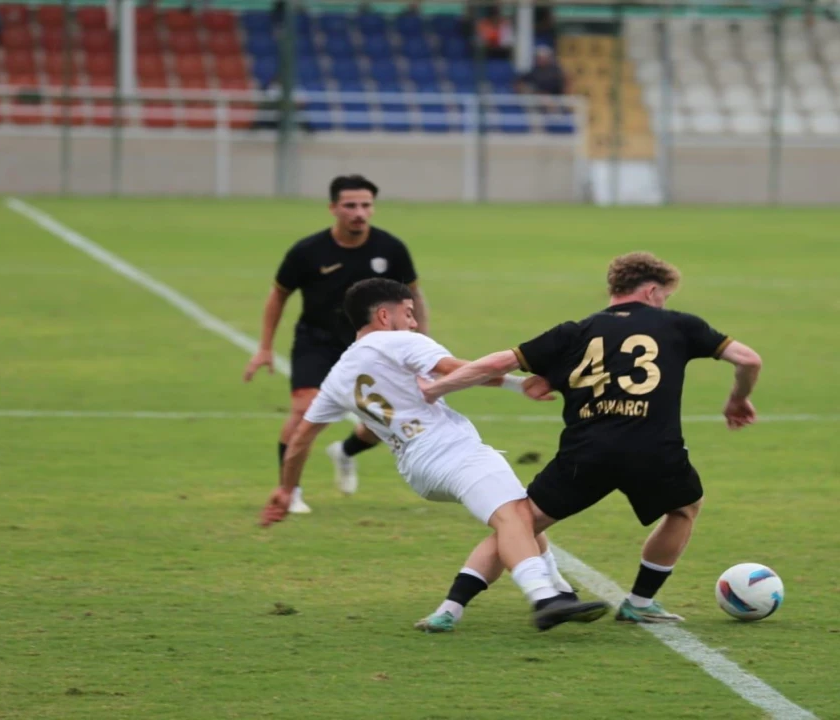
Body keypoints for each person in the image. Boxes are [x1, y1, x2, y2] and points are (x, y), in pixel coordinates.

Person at [419, 252, 763, 623]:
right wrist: (738, 399)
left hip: (586, 453)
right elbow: (749, 360)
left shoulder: (574, 332)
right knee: (683, 509)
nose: (664, 303)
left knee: (519, 524)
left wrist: (436, 390)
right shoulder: (678, 325)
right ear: (650, 291)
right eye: (664, 295)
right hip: (652, 450)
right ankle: (641, 602)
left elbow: (496, 364)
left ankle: (450, 609)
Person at [261, 279, 608, 632]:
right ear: (384, 315)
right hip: (451, 451)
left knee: (521, 512)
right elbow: (457, 369)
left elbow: (300, 439)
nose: (413, 322)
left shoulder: (337, 377)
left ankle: (549, 593)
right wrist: (520, 384)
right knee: (515, 516)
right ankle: (544, 598)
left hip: (417, 471)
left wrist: (287, 489)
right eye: (408, 313)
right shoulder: (400, 341)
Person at [243, 175, 430, 514]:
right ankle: (291, 489)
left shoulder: (391, 248)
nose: (359, 212)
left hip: (376, 346)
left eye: (365, 205)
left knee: (386, 422)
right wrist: (265, 347)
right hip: (317, 341)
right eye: (350, 205)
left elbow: (413, 296)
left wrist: (421, 347)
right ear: (333, 208)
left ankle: (344, 452)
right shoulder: (308, 251)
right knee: (303, 412)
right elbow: (278, 294)